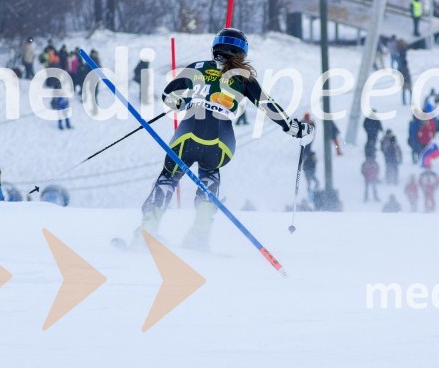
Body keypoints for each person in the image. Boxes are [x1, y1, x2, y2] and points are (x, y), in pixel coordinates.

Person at [133, 28, 314, 251]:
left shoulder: (197, 67)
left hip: (187, 132)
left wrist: (179, 104)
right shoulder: (244, 77)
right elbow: (268, 105)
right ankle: (199, 235)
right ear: (242, 53)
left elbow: (168, 95)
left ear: (215, 47)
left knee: (168, 177)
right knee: (209, 175)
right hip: (221, 141)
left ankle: (146, 231)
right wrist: (293, 128)